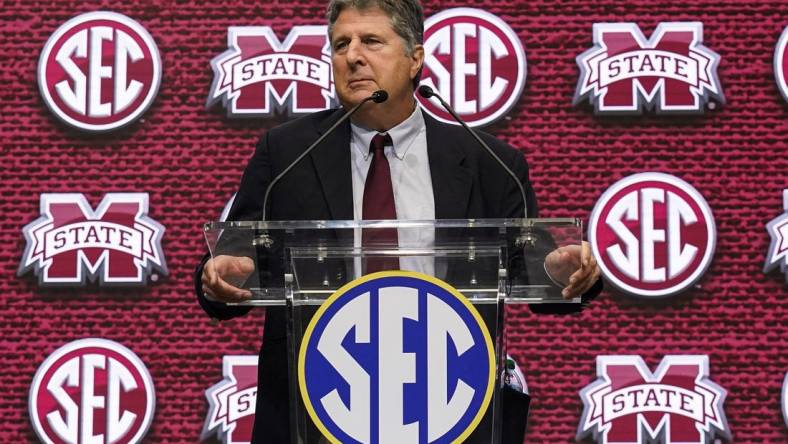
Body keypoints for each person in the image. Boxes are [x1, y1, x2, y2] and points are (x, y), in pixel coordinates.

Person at [196, 0, 602, 442]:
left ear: (415, 59)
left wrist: (565, 272)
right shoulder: (287, 152)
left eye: (371, 41)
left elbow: (535, 273)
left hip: (450, 402)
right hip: (318, 403)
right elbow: (234, 259)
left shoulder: (489, 162)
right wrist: (220, 275)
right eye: (340, 44)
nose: (352, 56)